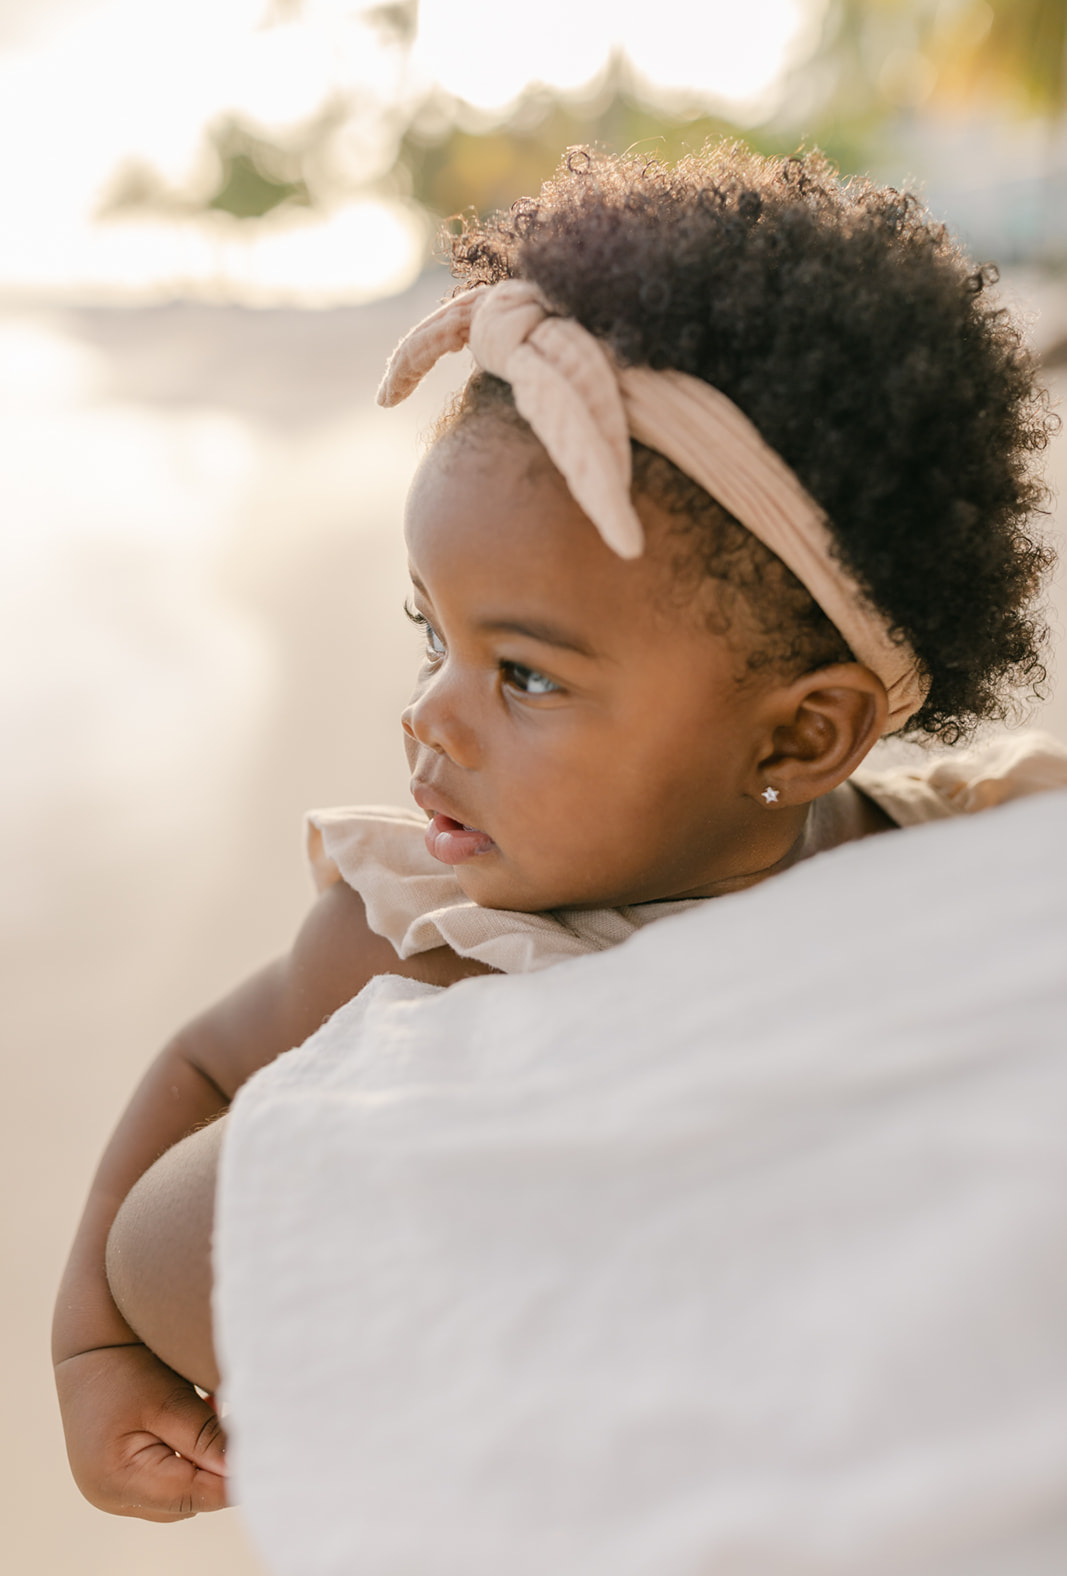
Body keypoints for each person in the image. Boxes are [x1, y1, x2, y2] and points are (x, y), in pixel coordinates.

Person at [53, 143, 1065, 1523]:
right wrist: (92, 1343)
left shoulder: (955, 853)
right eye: (434, 637)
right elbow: (205, 1060)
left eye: (522, 675)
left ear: (799, 737)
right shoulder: (426, 925)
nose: (429, 719)